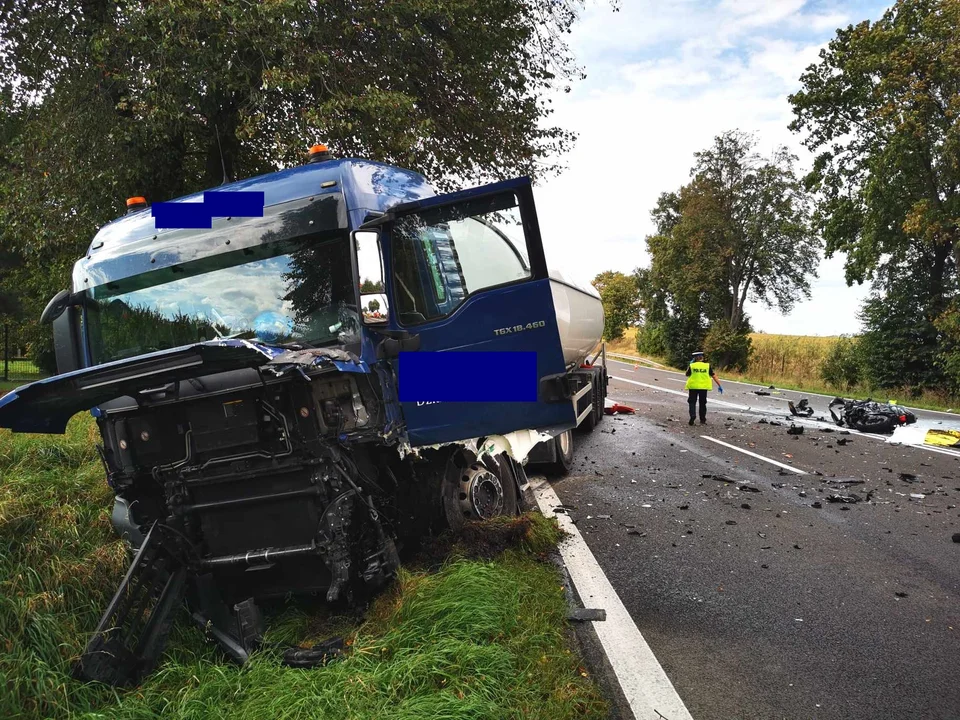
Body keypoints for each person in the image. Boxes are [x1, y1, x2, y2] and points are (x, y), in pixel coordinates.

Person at [685, 351, 722, 426]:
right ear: (702, 358)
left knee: (692, 402)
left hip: (693, 387)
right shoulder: (707, 366)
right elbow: (713, 376)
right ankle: (702, 420)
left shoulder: (692, 365)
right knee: (702, 403)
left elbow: (687, 374)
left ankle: (693, 416)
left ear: (694, 358)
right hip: (703, 387)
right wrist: (719, 385)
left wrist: (690, 365)